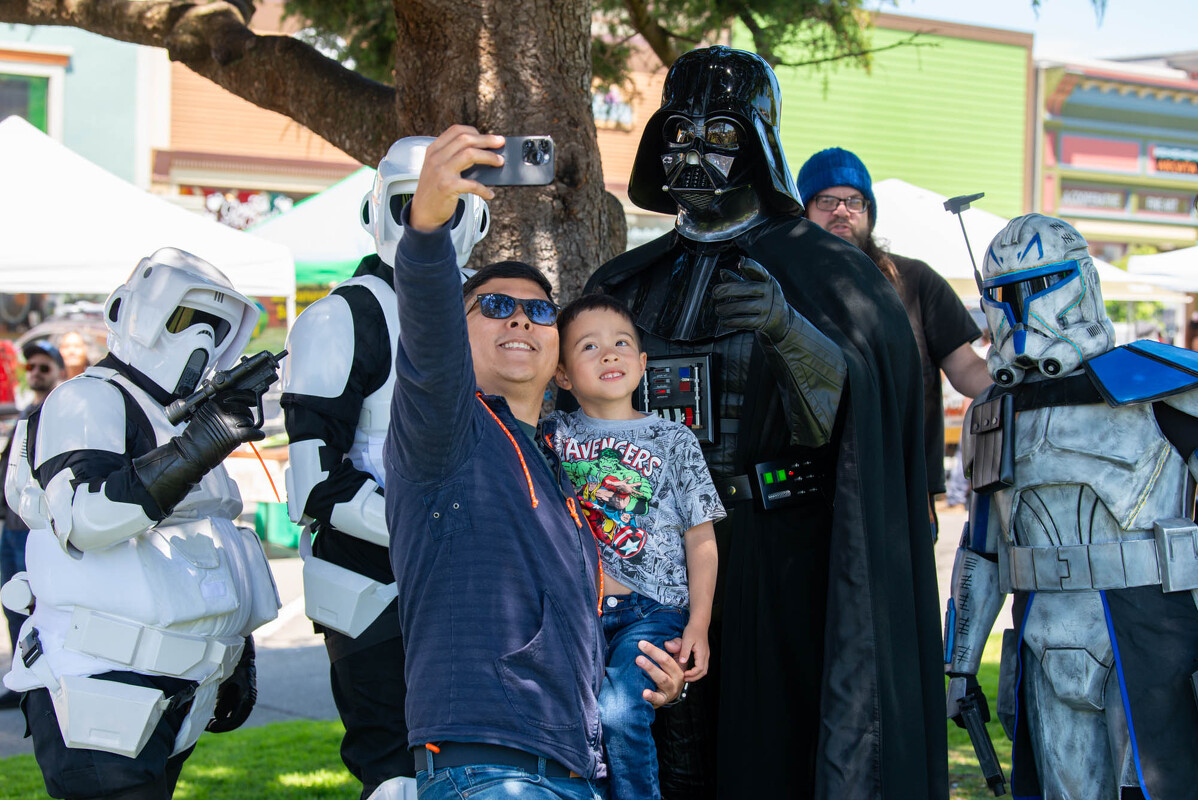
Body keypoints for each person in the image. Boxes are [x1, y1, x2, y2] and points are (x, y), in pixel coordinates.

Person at [585, 46, 947, 798]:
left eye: (718, 135)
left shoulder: (827, 272)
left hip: (783, 554)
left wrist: (788, 331)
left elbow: (851, 424)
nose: (694, 155)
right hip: (653, 557)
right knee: (657, 748)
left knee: (776, 748)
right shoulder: (627, 280)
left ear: (756, 143)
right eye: (679, 135)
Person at [383, 125, 685, 800]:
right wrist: (427, 229)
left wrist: (643, 678)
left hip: (571, 771)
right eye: (493, 307)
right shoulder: (445, 430)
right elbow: (427, 335)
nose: (519, 320)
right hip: (487, 768)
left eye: (538, 310)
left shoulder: (558, 464)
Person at [1, 248, 280, 799]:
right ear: (131, 312)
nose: (200, 338)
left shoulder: (174, 415)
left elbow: (211, 539)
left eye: (215, 325)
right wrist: (204, 441)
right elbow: (87, 517)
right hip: (95, 682)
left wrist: (233, 649)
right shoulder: (87, 399)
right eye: (184, 317)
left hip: (170, 685)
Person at [945, 213, 1198, 799]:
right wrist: (958, 664)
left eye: (1041, 285)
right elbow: (982, 549)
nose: (1020, 309)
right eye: (1002, 294)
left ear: (1080, 280)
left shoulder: (1159, 384)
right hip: (1043, 633)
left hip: (1150, 633)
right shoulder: (994, 412)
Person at [281, 136, 489, 800]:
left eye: (447, 202)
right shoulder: (348, 315)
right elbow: (314, 480)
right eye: (407, 201)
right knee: (395, 778)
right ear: (378, 210)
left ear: (475, 216)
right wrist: (430, 529)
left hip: (470, 584)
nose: (425, 215)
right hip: (376, 585)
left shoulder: (488, 312)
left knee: (475, 765)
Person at [545, 293, 723, 800]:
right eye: (589, 346)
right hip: (577, 612)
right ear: (561, 374)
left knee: (619, 713)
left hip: (653, 611)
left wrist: (699, 624)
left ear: (643, 364)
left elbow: (701, 537)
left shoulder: (674, 439)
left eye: (622, 343)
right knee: (576, 724)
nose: (609, 354)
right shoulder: (551, 436)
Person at [796, 147, 991, 536]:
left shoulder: (916, 282)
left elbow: (967, 370)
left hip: (903, 495)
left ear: (869, 211)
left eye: (854, 201)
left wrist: (1021, 369)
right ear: (804, 210)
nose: (841, 211)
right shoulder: (782, 289)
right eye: (826, 200)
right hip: (805, 499)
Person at [0, 339, 64, 710]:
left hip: (36, 532)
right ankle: (22, 679)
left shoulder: (61, 413)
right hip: (12, 527)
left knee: (40, 610)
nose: (36, 373)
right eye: (32, 368)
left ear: (58, 370)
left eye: (44, 367)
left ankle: (44, 686)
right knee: (14, 607)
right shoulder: (27, 411)